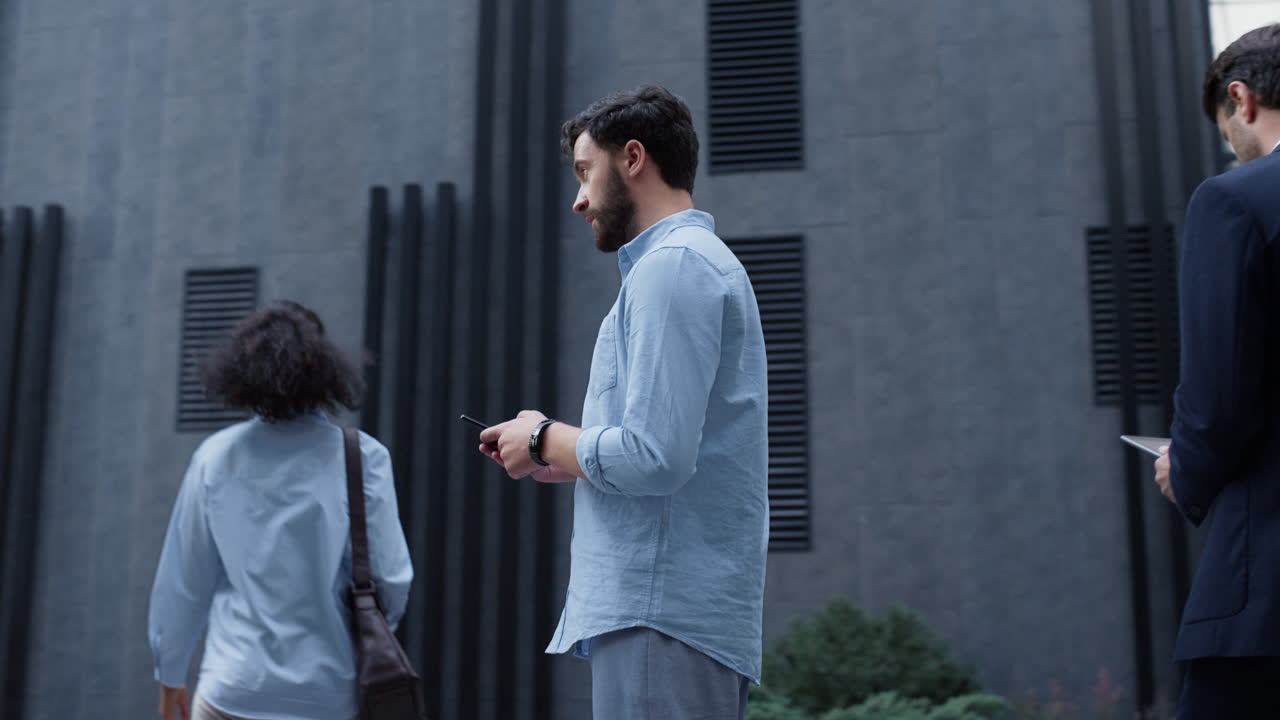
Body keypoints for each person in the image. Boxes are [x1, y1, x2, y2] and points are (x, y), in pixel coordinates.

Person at [478, 85, 769, 719]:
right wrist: (552, 454)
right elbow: (669, 452)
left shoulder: (673, 269)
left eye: (586, 172)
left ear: (632, 158)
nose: (578, 198)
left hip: (660, 614)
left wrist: (541, 436)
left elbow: (655, 459)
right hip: (670, 617)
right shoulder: (684, 267)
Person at [147, 301, 412, 720]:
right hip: (327, 694)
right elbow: (392, 579)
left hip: (232, 688)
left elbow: (184, 583)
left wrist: (171, 675)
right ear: (326, 367)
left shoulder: (215, 457)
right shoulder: (362, 456)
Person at [1154, 23, 1280, 719]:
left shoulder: (1236, 201)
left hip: (1264, 595)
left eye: (1226, 128)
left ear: (1244, 99)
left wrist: (1186, 467)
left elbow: (1218, 394)